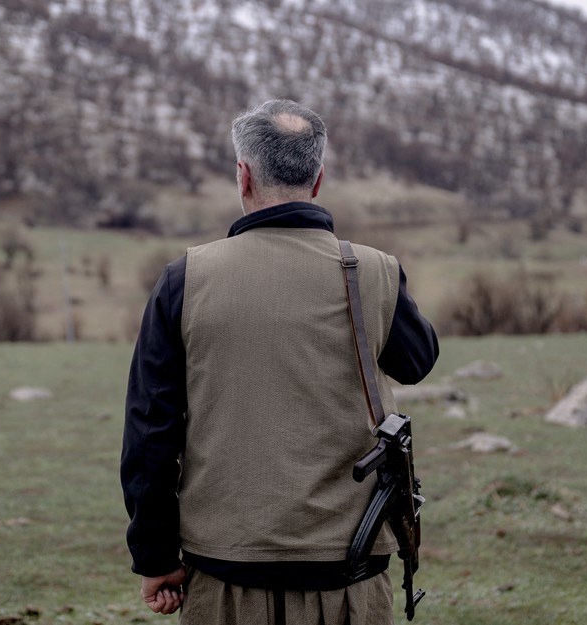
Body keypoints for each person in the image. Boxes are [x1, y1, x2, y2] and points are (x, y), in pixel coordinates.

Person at [121, 99, 439, 624]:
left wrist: (153, 557)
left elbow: (150, 433)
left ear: (242, 175)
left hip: (224, 570)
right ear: (318, 180)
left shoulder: (185, 279)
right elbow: (418, 360)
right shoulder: (375, 271)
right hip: (351, 573)